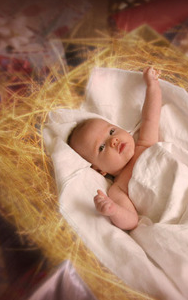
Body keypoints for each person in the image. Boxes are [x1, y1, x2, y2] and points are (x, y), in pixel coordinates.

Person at [67, 66, 162, 231]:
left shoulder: (145, 144)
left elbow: (151, 116)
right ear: (99, 170)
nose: (113, 141)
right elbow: (131, 220)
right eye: (102, 147)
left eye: (112, 131)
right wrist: (114, 210)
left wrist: (152, 85)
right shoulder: (117, 190)